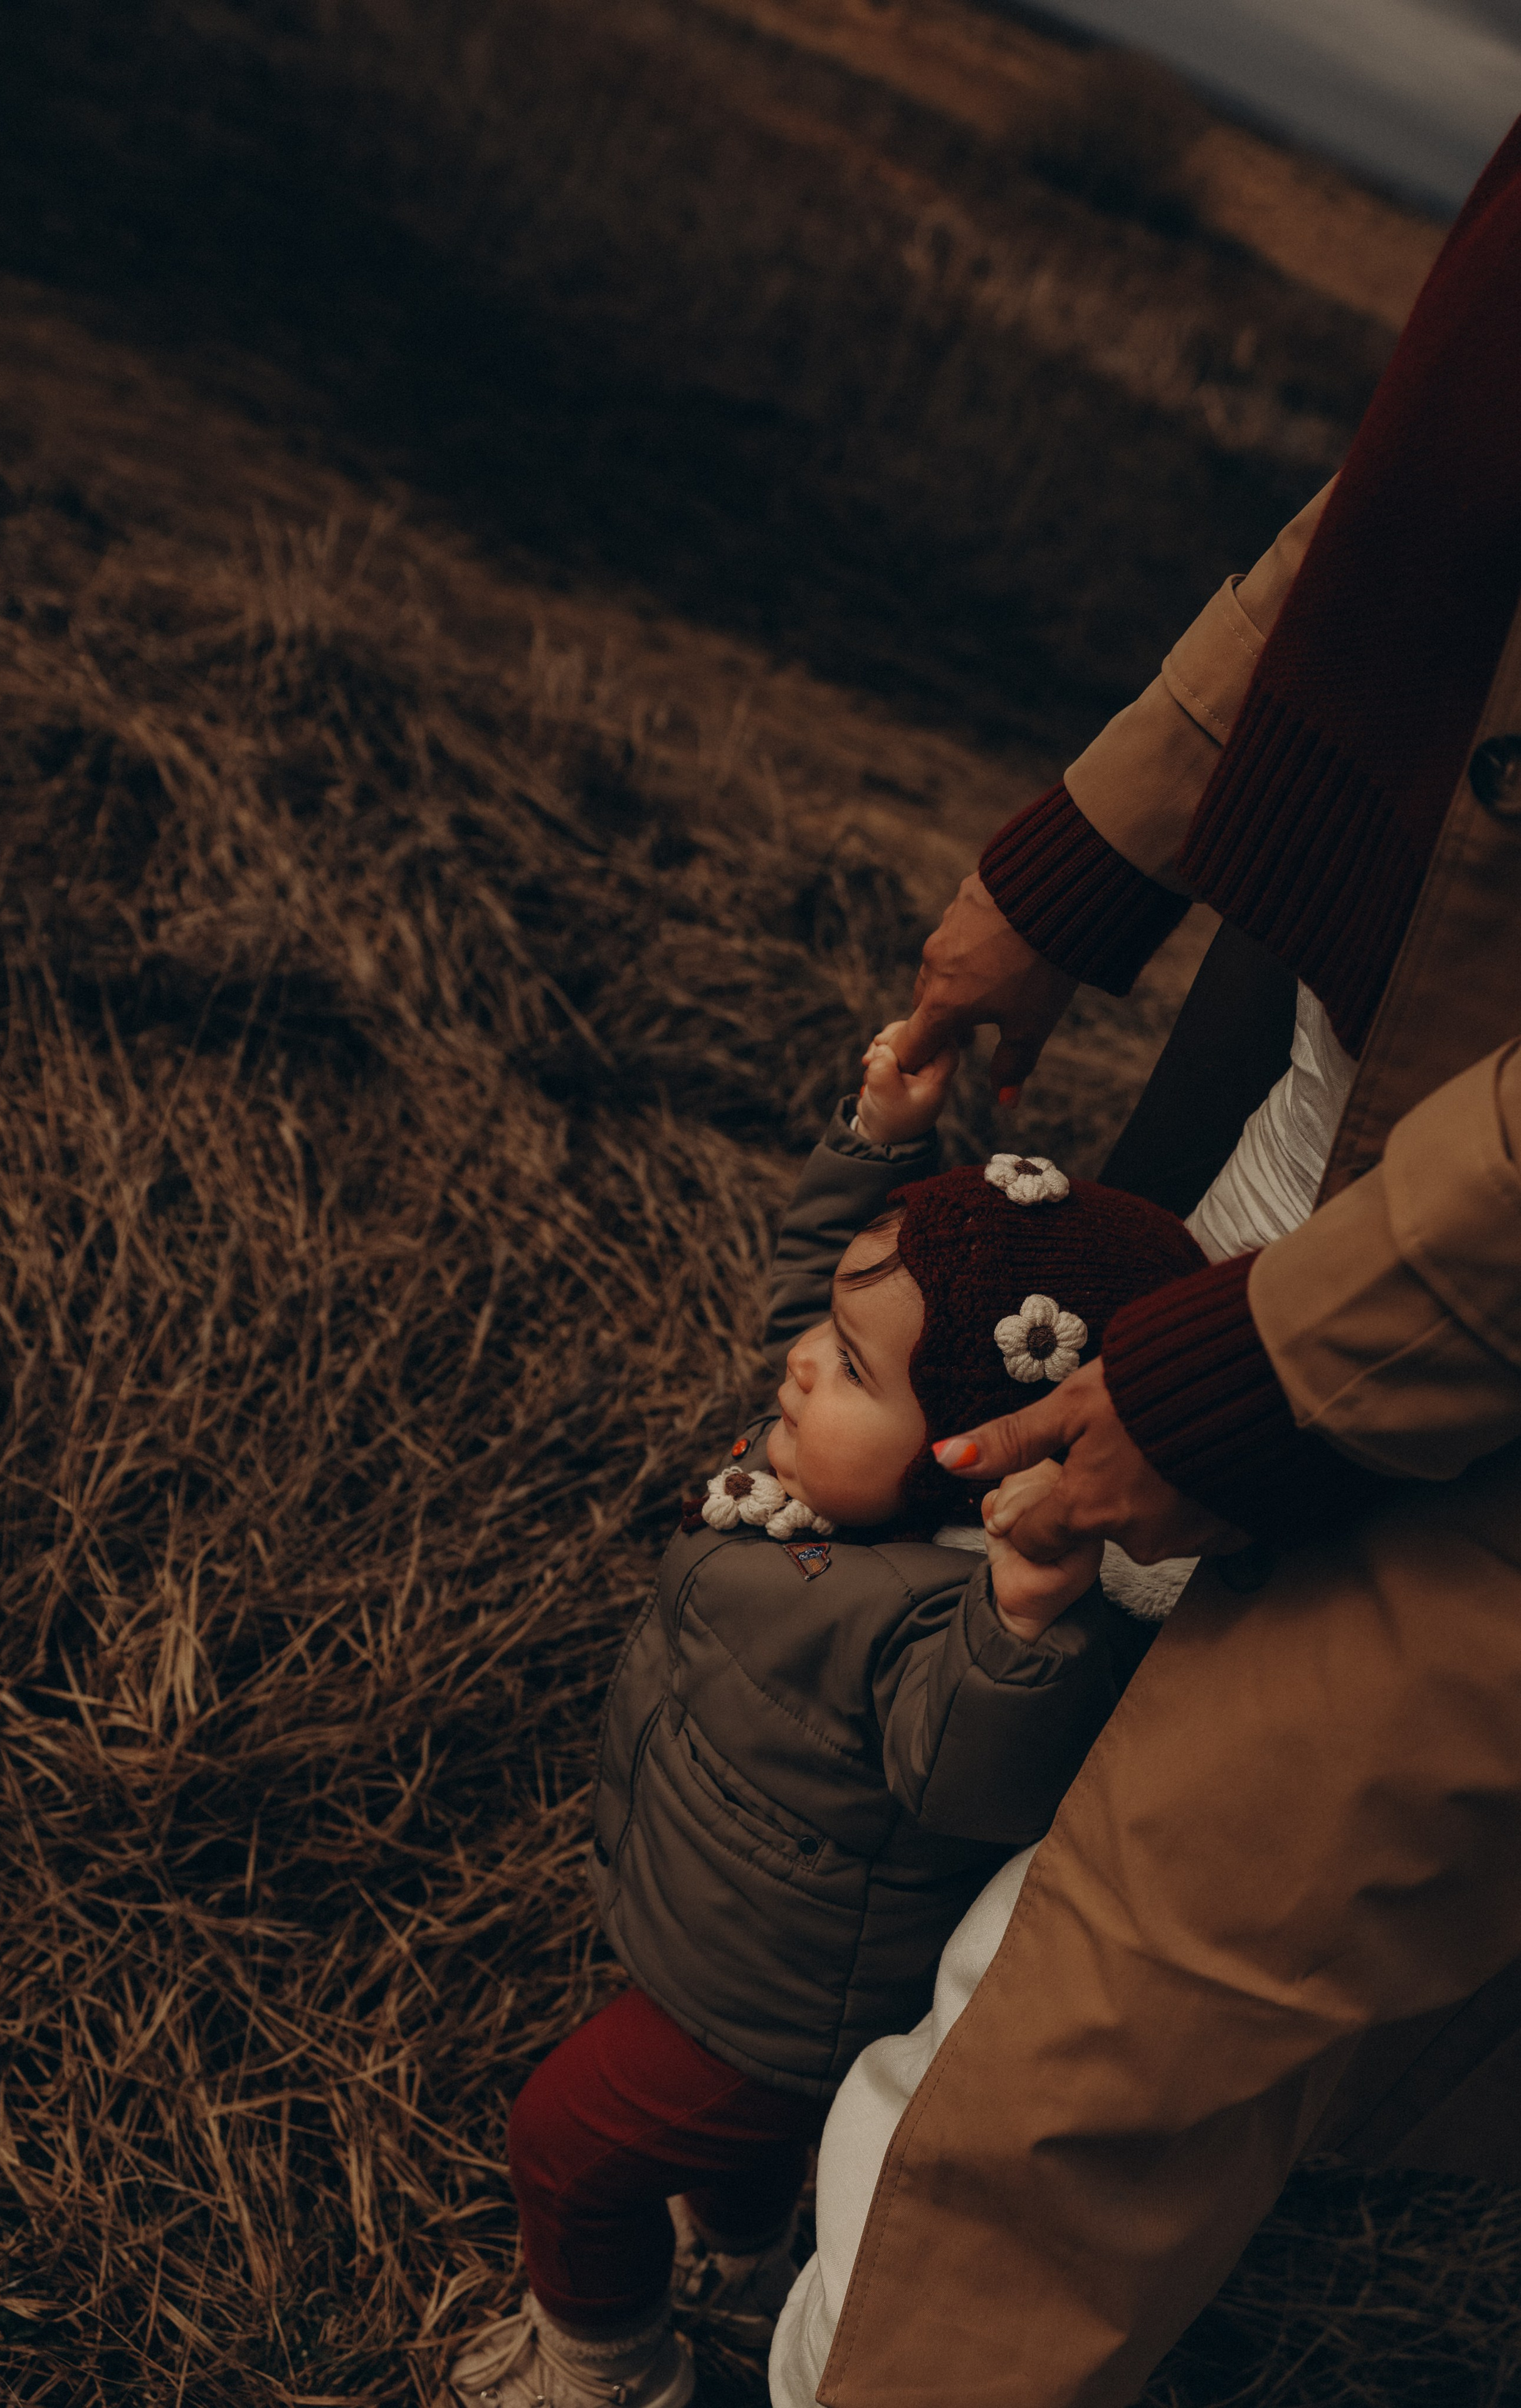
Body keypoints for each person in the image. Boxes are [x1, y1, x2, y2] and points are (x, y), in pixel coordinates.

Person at [771, 110, 1521, 2408]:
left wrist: (1284, 1376)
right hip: (1385, 1035)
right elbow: (1419, 511)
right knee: (1124, 1760)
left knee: (1080, 2047)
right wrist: (1082, 862)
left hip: (1472, 1267)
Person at [448, 1037, 1207, 2407]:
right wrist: (876, 1138)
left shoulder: (954, 1611)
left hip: (775, 1992)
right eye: (830, 1347)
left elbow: (967, 1779)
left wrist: (1024, 1617)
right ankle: (740, 2253)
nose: (797, 1367)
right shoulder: (847, 1466)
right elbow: (828, 1293)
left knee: (563, 2140)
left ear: (975, 1456)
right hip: (723, 1914)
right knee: (731, 2154)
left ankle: (605, 2369)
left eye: (849, 1370)